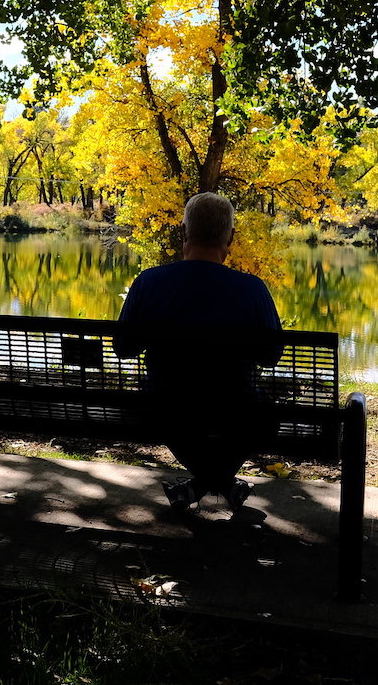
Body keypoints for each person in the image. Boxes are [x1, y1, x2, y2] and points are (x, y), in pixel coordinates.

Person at [115, 191, 283, 514]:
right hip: (235, 408)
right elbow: (271, 355)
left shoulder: (149, 282)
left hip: (164, 408)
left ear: (184, 232)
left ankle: (199, 484)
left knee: (160, 407)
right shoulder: (252, 289)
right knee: (263, 414)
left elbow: (124, 348)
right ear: (230, 238)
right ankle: (216, 482)